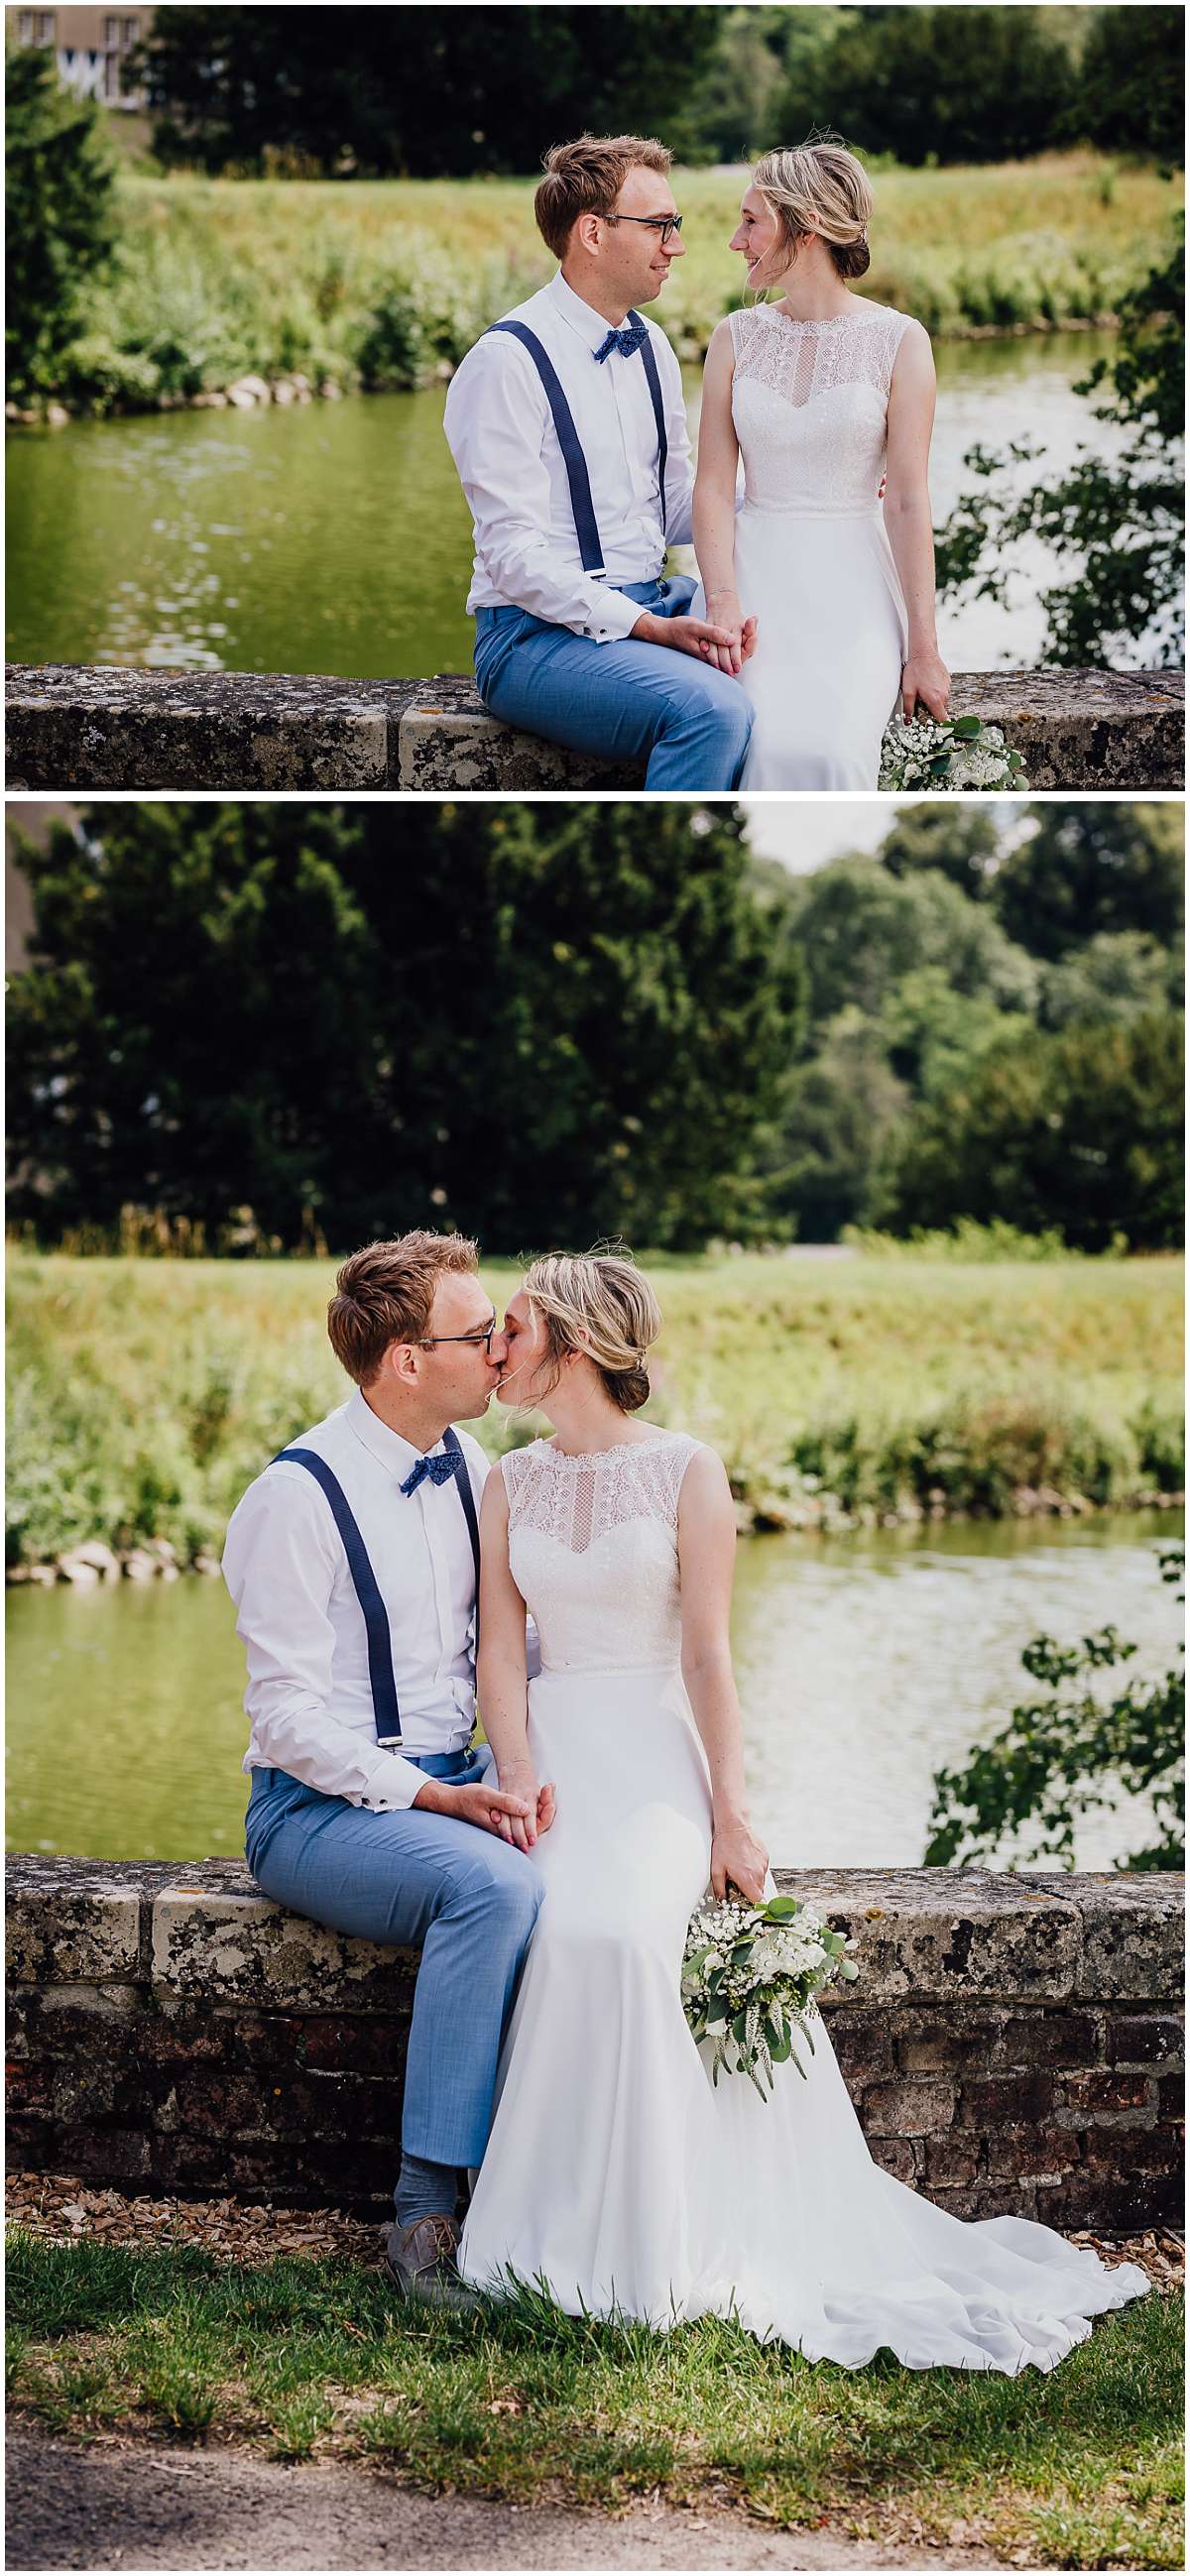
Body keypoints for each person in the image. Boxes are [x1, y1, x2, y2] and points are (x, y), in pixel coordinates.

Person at [458, 1248, 1150, 2370]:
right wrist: (518, 1775)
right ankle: (541, 2231)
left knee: (628, 1936)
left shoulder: (688, 1469)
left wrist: (731, 1816)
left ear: (572, 1344)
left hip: (654, 1761)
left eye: (516, 1329)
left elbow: (707, 1655)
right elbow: (499, 1648)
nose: (497, 1347)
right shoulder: (508, 1483)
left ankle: (651, 2238)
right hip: (551, 1763)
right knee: (546, 1927)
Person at [222, 1231, 552, 2311]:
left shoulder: (476, 1471)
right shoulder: (296, 1497)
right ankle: (422, 2217)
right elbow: (285, 1716)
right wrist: (433, 1796)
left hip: (456, 1779)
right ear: (407, 1360)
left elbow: (512, 1653)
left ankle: (557, 2200)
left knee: (591, 1873)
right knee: (491, 1884)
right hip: (316, 1814)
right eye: (477, 1334)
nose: (501, 1351)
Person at [444, 133, 757, 791]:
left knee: (787, 660)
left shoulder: (654, 348)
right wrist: (648, 628)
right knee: (713, 712)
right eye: (659, 226)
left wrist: (803, 489)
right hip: (532, 639)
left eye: (677, 225)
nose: (677, 245)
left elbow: (676, 508)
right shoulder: (506, 362)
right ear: (592, 233)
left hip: (649, 603)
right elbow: (514, 558)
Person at [692, 137, 952, 788]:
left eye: (751, 221)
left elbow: (909, 500)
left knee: (834, 751)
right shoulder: (734, 338)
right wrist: (721, 600)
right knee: (757, 742)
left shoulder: (900, 342)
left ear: (804, 228)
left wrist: (924, 650)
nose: (735, 239)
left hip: (853, 584)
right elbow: (715, 489)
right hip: (749, 587)